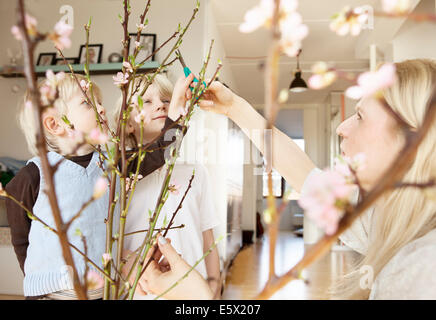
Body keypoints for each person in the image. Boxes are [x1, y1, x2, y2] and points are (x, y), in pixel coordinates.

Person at [143, 59, 436, 299]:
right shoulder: (383, 217)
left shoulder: (421, 270)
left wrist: (198, 300)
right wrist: (235, 108)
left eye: (360, 116)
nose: (342, 128)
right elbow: (305, 174)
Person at [5, 72, 189, 300]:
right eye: (88, 103)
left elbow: (162, 152)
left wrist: (177, 115)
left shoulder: (111, 162)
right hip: (52, 294)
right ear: (55, 124)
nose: (101, 109)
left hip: (105, 291)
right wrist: (35, 278)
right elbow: (21, 236)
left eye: (100, 102)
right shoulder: (36, 174)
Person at [114, 74, 221, 299]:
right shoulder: (120, 176)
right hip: (139, 293)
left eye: (165, 99)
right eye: (147, 101)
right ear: (129, 124)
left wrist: (214, 285)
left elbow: (208, 239)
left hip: (192, 293)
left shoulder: (195, 172)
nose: (161, 105)